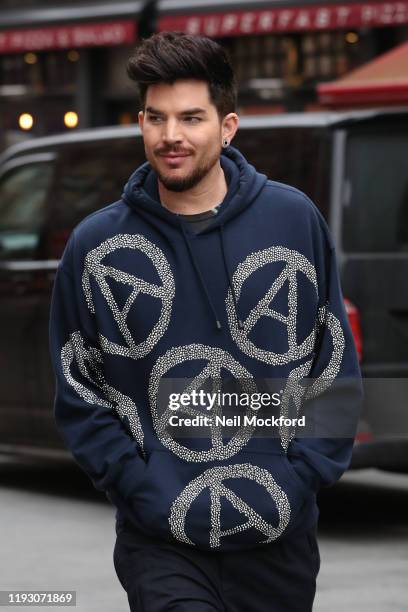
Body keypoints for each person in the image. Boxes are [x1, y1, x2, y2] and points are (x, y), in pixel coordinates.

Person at [49, 31, 362, 612]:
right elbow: (79, 388)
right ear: (140, 122)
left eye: (191, 118)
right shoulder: (97, 247)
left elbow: (333, 366)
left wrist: (299, 480)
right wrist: (137, 484)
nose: (171, 136)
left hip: (280, 540)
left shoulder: (293, 221)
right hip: (159, 542)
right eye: (156, 117)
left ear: (228, 125)